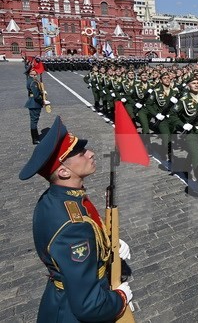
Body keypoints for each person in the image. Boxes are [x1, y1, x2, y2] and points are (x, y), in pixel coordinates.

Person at [18, 116, 133, 322]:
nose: (91, 153)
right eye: (81, 153)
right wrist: (120, 298)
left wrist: (107, 244)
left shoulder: (58, 198)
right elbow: (90, 306)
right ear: (63, 171)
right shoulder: (73, 225)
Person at [25, 64, 45, 144]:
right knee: (34, 121)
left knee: (33, 121)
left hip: (31, 102)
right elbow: (36, 96)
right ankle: (35, 139)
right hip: (34, 103)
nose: (36, 74)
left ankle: (35, 137)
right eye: (35, 73)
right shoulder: (33, 82)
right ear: (32, 73)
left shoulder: (29, 80)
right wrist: (43, 101)